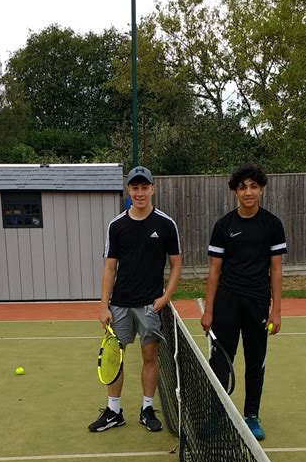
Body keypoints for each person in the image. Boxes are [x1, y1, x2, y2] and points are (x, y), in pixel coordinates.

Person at [89, 165, 182, 433]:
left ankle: (147, 408)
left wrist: (166, 296)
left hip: (149, 306)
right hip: (119, 305)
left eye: (144, 187)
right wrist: (103, 305)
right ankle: (114, 412)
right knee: (115, 358)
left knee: (149, 356)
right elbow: (110, 267)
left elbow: (176, 264)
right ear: (128, 190)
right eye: (135, 187)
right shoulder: (116, 226)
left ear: (152, 188)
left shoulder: (166, 224)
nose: (140, 192)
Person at [200, 163, 287, 441]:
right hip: (227, 302)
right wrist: (209, 310)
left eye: (253, 186)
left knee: (255, 361)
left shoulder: (272, 225)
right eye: (242, 187)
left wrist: (277, 310)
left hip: (258, 303)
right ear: (235, 192)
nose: (248, 192)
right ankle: (217, 416)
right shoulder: (223, 226)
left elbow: (275, 269)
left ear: (261, 189)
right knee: (221, 362)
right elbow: (214, 270)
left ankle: (251, 415)